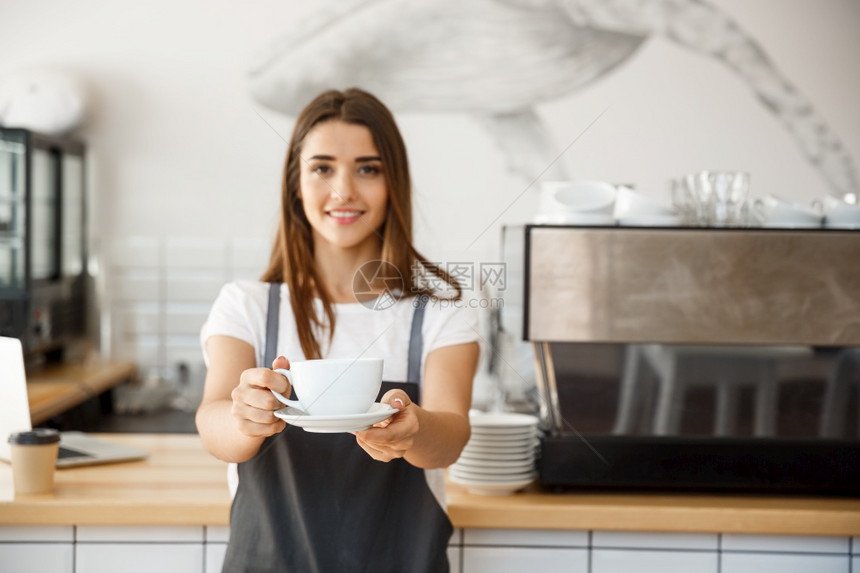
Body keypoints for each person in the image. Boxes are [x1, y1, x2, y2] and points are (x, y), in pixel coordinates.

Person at [196, 87, 480, 572]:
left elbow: (451, 437)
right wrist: (244, 415)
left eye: (367, 168)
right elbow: (212, 422)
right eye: (322, 168)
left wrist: (414, 431)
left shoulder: (439, 313)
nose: (344, 190)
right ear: (296, 183)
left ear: (394, 183)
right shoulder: (246, 305)